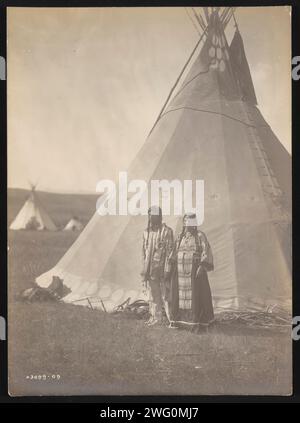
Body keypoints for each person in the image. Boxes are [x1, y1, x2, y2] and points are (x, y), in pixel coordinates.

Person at [167, 213, 214, 330]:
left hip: (195, 272)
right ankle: (179, 322)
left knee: (197, 296)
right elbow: (173, 253)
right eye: (187, 221)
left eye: (192, 222)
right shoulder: (180, 237)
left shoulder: (200, 236)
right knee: (178, 295)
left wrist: (202, 267)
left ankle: (196, 322)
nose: (189, 224)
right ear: (184, 223)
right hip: (180, 271)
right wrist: (171, 266)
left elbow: (206, 251)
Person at [141, 206, 174, 326]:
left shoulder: (167, 231)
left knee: (166, 295)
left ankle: (172, 320)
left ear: (159, 216)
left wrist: (168, 269)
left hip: (162, 268)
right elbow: (144, 251)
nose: (151, 217)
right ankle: (156, 317)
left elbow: (170, 251)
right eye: (150, 215)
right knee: (153, 295)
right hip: (150, 269)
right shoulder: (146, 232)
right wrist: (144, 268)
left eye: (154, 215)